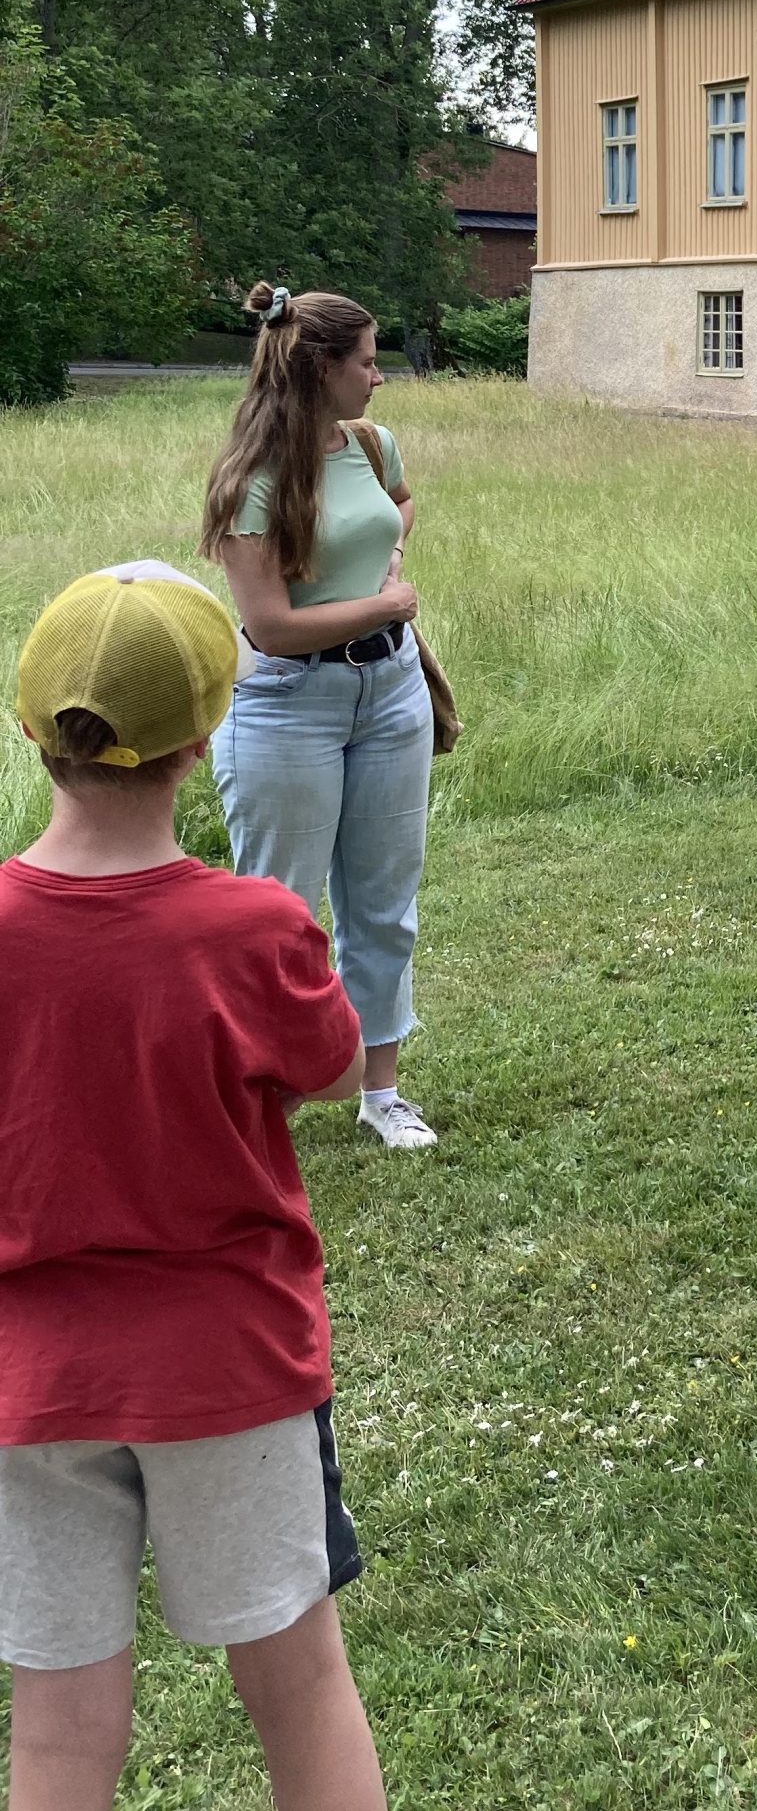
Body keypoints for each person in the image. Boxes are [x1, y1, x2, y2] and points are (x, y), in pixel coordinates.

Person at [1, 562, 386, 1811]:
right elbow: (335, 1069)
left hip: (31, 1382)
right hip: (230, 1370)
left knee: (59, 1732)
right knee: (298, 1684)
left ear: (34, 727)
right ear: (204, 736)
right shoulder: (254, 928)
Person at [200, 283, 438, 1150]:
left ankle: (382, 1092)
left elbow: (399, 502)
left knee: (384, 902)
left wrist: (392, 553)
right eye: (367, 361)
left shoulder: (371, 443)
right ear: (319, 368)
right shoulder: (253, 481)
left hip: (392, 692)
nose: (379, 376)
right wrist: (388, 604)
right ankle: (264, 1099)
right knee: (277, 916)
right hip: (286, 706)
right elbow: (270, 625)